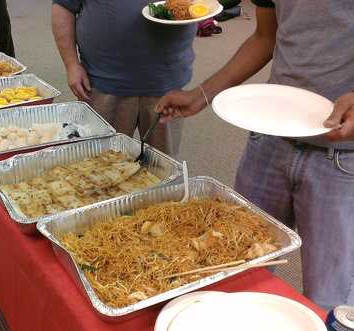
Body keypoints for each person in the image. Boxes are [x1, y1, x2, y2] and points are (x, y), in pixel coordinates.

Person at [156, 0, 354, 309]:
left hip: (341, 160)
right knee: (236, 270)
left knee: (328, 298)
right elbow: (265, 36)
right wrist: (201, 95)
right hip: (270, 135)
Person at [51, 0, 196, 156]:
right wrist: (71, 64)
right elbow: (63, 7)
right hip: (103, 81)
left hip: (168, 80)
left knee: (164, 166)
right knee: (98, 164)